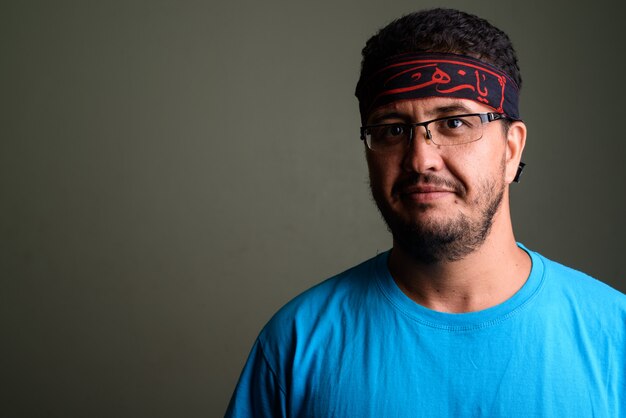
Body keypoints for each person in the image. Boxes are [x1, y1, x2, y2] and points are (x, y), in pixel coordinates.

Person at [225, 8, 626, 417]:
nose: (420, 159)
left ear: (511, 149)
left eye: (454, 122)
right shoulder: (296, 345)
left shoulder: (615, 337)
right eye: (392, 129)